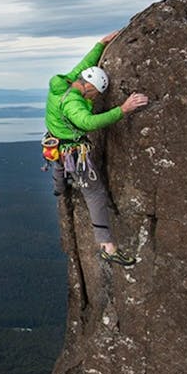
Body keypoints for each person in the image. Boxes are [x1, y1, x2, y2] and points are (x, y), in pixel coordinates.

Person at [44, 31, 150, 266]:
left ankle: (59, 187)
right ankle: (107, 246)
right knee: (95, 193)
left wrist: (102, 43)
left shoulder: (62, 84)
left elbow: (85, 65)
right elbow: (87, 123)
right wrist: (122, 110)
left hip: (55, 142)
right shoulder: (74, 104)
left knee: (59, 166)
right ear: (90, 88)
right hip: (71, 150)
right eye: (95, 93)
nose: (95, 98)